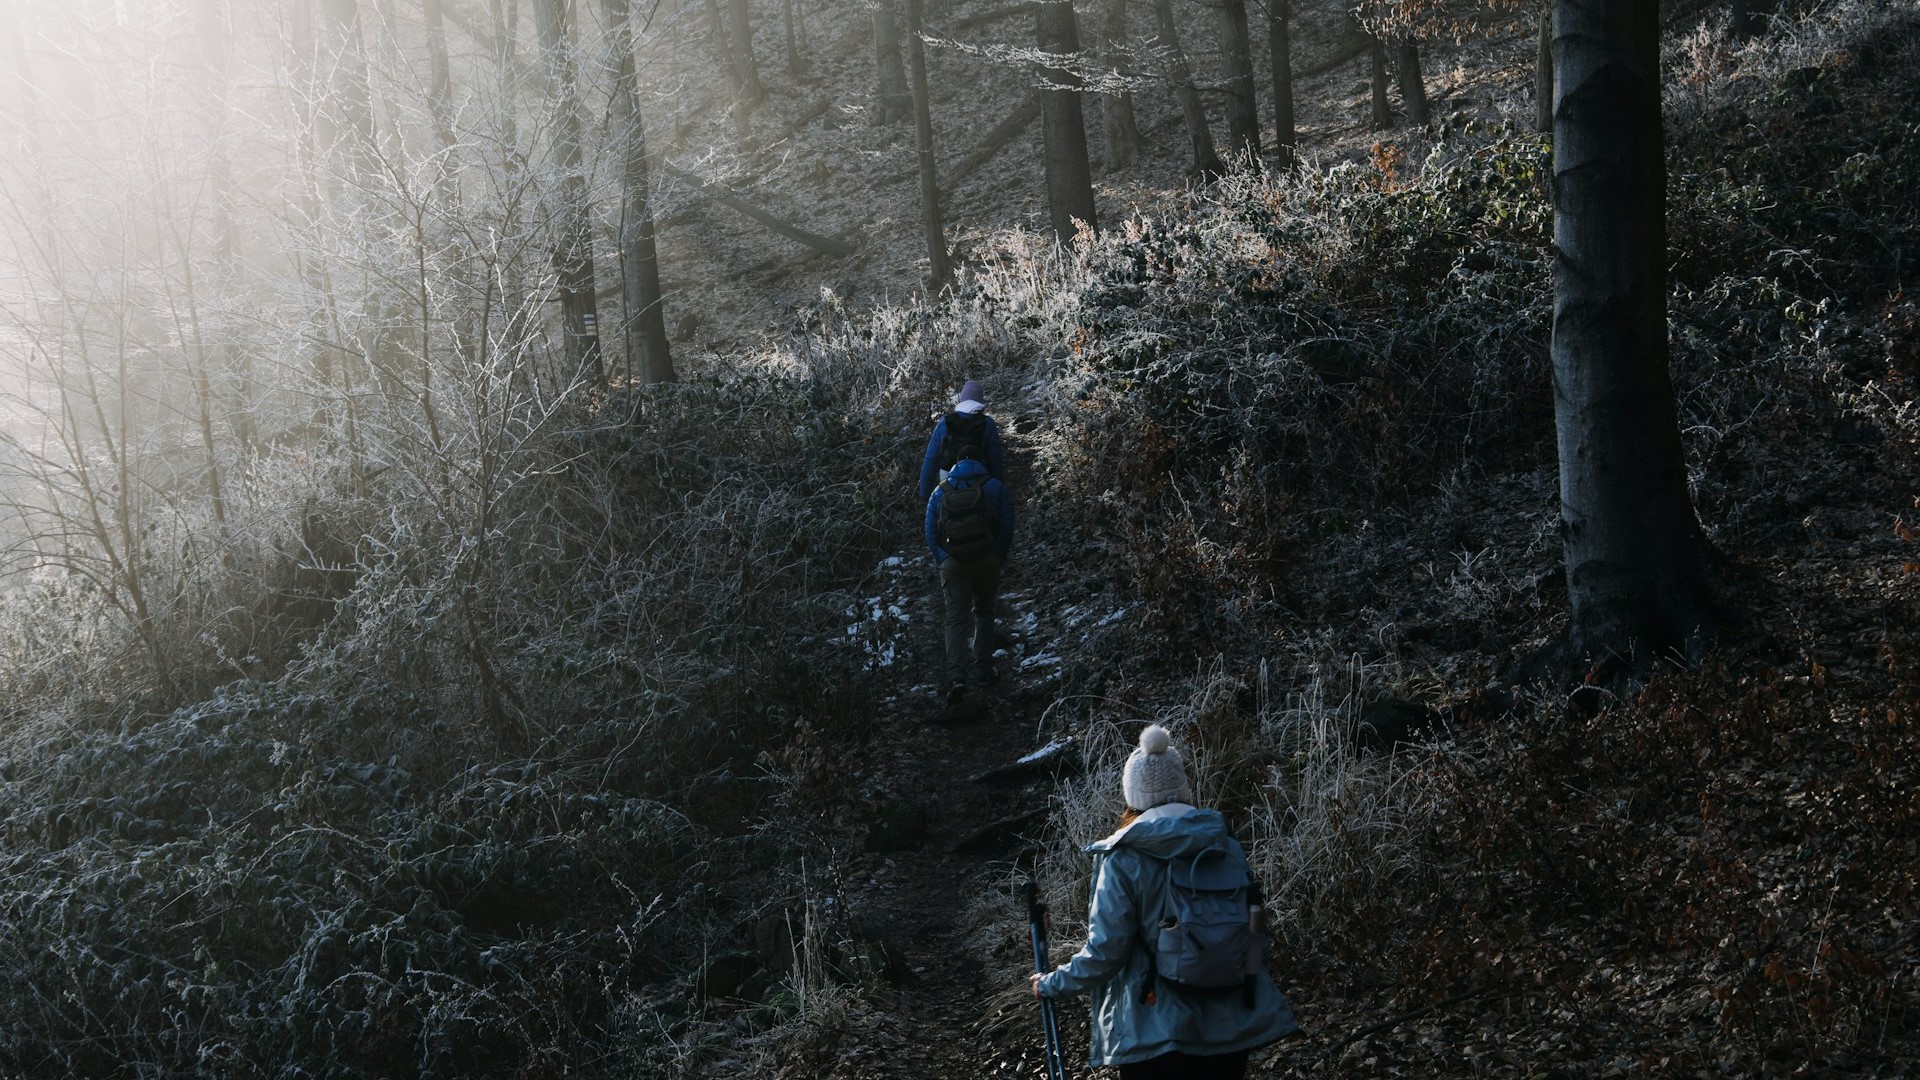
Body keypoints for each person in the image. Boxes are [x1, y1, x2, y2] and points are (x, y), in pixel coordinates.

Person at [1030, 724, 1301, 1079]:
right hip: (1231, 1024)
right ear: (1182, 787)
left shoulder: (1124, 856)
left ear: (1132, 795)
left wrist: (1052, 983)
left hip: (1156, 1031)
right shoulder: (1224, 843)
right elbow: (1255, 931)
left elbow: (1106, 951)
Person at [924, 454, 1013, 706]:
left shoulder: (939, 492)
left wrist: (943, 558)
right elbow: (1007, 527)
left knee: (955, 618)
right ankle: (984, 670)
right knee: (984, 611)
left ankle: (956, 678)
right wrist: (997, 555)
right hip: (987, 559)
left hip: (953, 564)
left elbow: (930, 533)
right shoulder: (995, 487)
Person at [918, 379, 1007, 502]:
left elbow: (931, 459)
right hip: (980, 481)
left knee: (947, 513)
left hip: (948, 482)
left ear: (962, 400)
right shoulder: (988, 424)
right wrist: (998, 492)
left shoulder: (945, 422)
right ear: (980, 402)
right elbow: (995, 461)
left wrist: (925, 494)